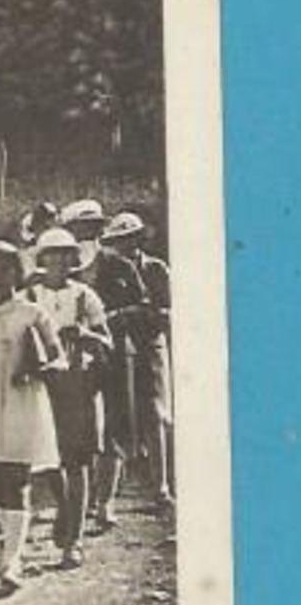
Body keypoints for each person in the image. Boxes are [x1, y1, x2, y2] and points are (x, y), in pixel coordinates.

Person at [0, 241, 63, 594]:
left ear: (17, 272)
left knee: (16, 476)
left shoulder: (34, 313)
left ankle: (12, 562)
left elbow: (57, 357)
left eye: (3, 269)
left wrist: (36, 370)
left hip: (22, 399)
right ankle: (10, 545)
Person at [63, 199, 150, 529]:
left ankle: (105, 502)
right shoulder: (61, 270)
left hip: (114, 355)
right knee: (79, 429)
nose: (90, 232)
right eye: (82, 226)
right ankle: (78, 500)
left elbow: (142, 308)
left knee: (116, 425)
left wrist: (106, 322)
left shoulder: (119, 266)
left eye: (96, 226)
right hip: (75, 362)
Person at [28, 228, 112, 568]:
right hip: (41, 384)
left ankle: (73, 540)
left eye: (67, 254)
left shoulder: (85, 296)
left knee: (77, 461)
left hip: (79, 384)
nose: (61, 260)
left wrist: (85, 333)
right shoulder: (29, 295)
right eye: (53, 253)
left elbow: (107, 342)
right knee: (48, 459)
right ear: (42, 259)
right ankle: (64, 507)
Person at [102, 211, 175, 509]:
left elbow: (169, 310)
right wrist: (125, 315)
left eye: (130, 238)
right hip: (120, 349)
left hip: (151, 345)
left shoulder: (157, 269)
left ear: (139, 238)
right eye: (119, 241)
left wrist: (153, 315)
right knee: (119, 416)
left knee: (155, 414)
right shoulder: (107, 272)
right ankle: (110, 493)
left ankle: (160, 487)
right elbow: (102, 313)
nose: (126, 245)